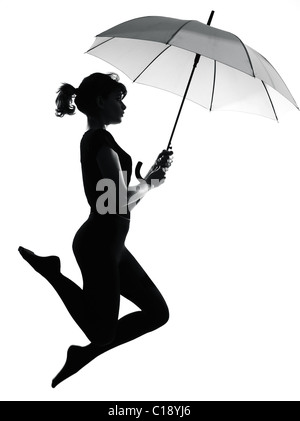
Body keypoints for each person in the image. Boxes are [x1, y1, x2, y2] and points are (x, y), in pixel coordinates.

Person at [18, 72, 173, 387]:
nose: (123, 106)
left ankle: (84, 355)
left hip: (113, 245)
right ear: (101, 101)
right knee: (102, 332)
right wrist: (149, 182)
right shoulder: (99, 142)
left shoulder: (104, 140)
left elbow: (117, 205)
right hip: (98, 245)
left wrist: (149, 181)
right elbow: (115, 204)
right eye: (119, 99)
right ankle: (53, 273)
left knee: (157, 313)